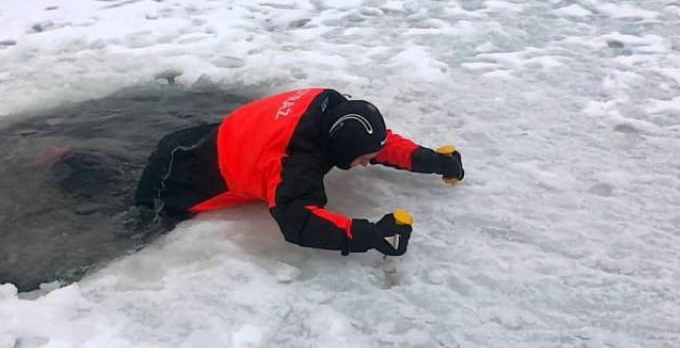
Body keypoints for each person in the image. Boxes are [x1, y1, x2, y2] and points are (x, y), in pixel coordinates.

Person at [134, 88, 464, 257]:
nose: (366, 163)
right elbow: (298, 221)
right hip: (177, 181)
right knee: (142, 225)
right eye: (363, 159)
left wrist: (432, 161)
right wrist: (373, 235)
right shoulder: (293, 162)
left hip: (204, 138)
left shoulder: (331, 107)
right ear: (341, 150)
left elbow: (376, 141)